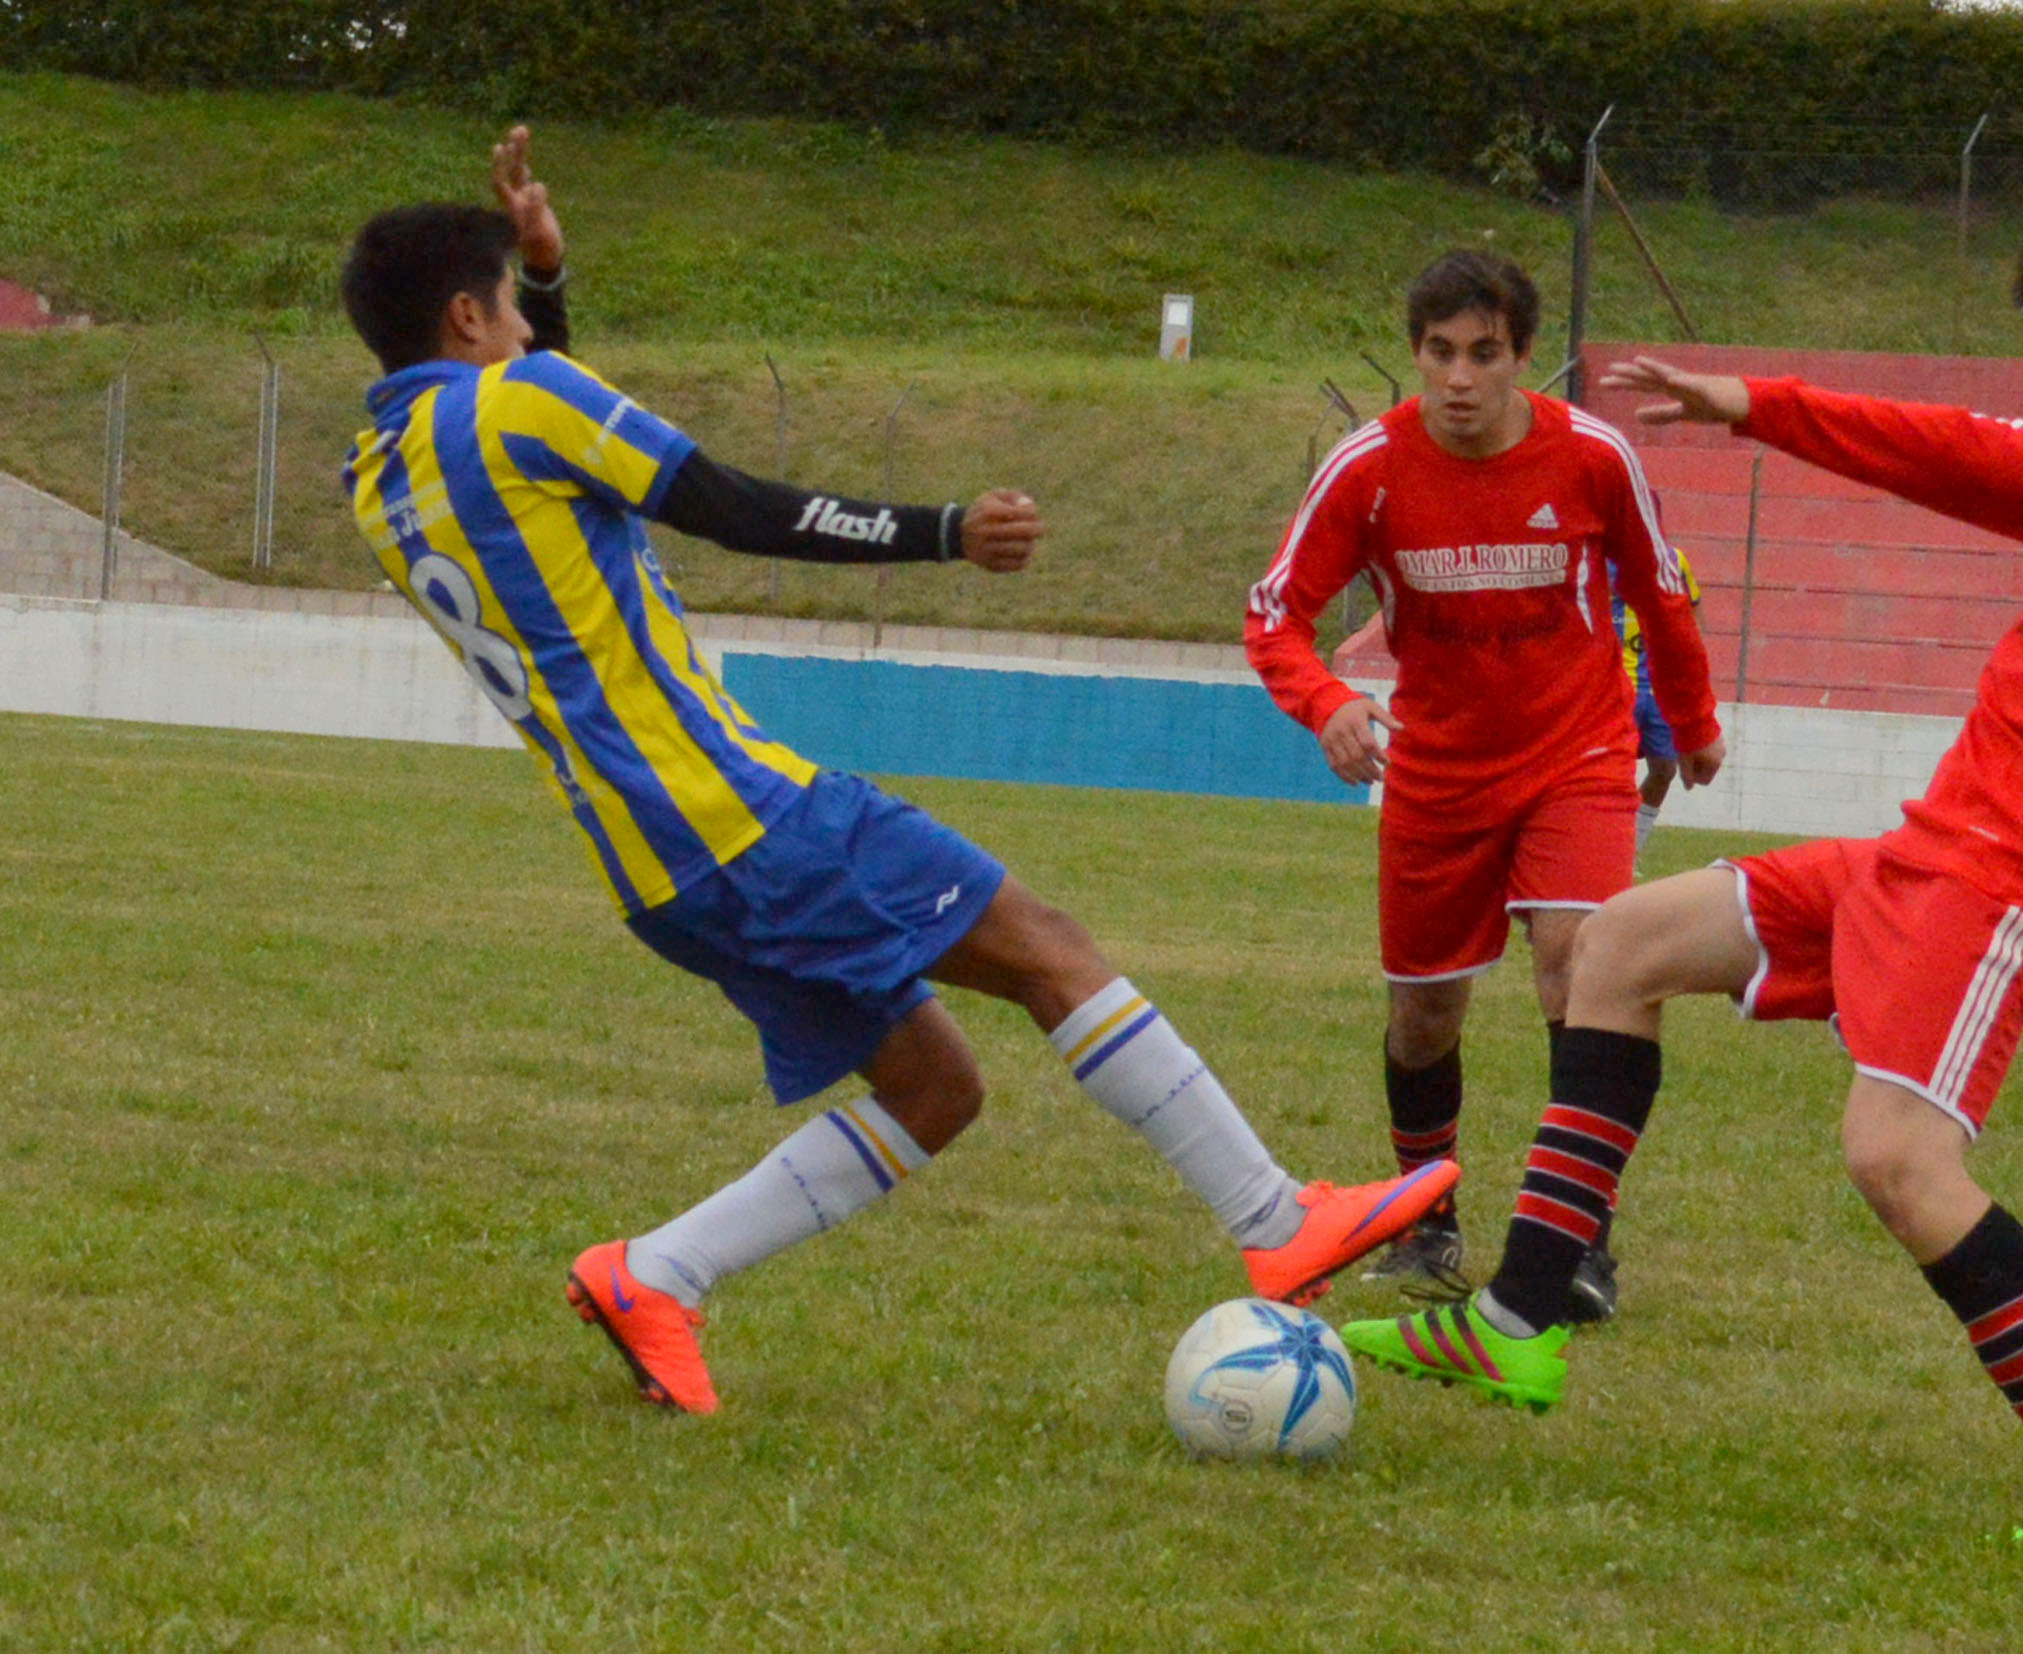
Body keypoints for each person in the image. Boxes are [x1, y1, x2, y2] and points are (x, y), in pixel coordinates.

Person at [338, 128, 1458, 1416]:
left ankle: (657, 1274)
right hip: (742, 814)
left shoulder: (383, 475)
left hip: (653, 868)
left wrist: (542, 283)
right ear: (470, 315)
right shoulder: (519, 402)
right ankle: (1278, 1218)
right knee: (1048, 947)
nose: (532, 345)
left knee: (937, 1087)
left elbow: (537, 433)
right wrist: (943, 533)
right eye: (511, 319)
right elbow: (719, 496)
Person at [1341, 180, 2023, 1560]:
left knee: (1896, 1161)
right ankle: (1517, 1323)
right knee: (1616, 946)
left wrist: (1757, 404)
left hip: (1996, 877)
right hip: (1927, 850)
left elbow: (1964, 460)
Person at [1245, 252, 1724, 1318]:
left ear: (1522, 361)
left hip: (1578, 755)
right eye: (1439, 353)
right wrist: (1326, 701)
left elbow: (1662, 592)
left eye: (1485, 354)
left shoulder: (1591, 456)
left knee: (1580, 960)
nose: (1459, 378)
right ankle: (1424, 1221)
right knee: (1424, 1017)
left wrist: (1691, 724)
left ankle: (1576, 1241)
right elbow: (1275, 613)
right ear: (1417, 354)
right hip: (1439, 771)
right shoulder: (1366, 467)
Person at [1611, 567, 1704, 873]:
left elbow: (1695, 616)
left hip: (1659, 687)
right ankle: (1609, 850)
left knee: (1664, 768)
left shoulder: (1675, 562)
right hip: (1617, 685)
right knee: (1615, 770)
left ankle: (1632, 850)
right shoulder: (1601, 559)